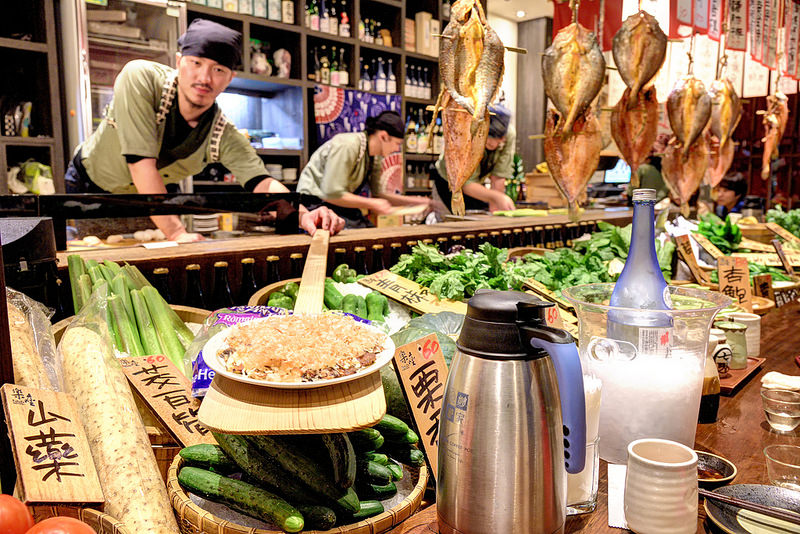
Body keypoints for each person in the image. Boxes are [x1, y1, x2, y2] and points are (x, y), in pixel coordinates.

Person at [65, 18, 344, 241]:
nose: (204, 78)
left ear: (230, 78)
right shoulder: (141, 78)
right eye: (195, 63)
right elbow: (141, 165)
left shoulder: (222, 132)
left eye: (218, 70)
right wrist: (177, 233)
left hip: (154, 202)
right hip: (92, 188)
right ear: (178, 63)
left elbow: (261, 181)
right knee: (92, 257)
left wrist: (303, 213)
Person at [296, 111, 432, 228]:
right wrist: (372, 203)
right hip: (313, 205)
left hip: (339, 206)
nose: (397, 150)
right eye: (397, 144)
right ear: (383, 136)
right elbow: (331, 193)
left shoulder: (374, 157)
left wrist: (417, 201)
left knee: (372, 234)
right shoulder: (347, 145)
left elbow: (378, 195)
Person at [432, 104, 517, 214]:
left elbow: (499, 175)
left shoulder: (508, 134)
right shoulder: (466, 134)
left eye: (500, 139)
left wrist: (496, 207)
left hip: (476, 184)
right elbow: (466, 183)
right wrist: (497, 197)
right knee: (454, 222)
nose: (495, 143)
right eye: (489, 138)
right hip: (448, 182)